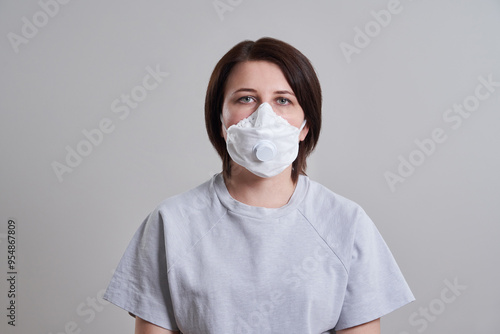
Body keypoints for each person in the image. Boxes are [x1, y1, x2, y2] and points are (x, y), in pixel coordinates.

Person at [103, 37, 415, 334]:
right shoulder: (171, 223)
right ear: (221, 121)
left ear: (305, 125)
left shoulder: (346, 223)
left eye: (283, 100)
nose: (265, 116)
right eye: (246, 98)